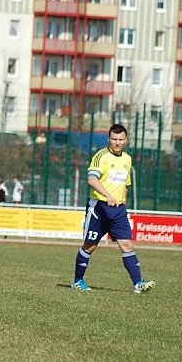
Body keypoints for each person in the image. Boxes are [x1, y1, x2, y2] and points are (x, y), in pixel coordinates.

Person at [72, 123, 155, 293]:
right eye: (114, 139)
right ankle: (77, 281)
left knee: (127, 245)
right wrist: (108, 195)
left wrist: (122, 201)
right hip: (99, 208)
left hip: (118, 210)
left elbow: (126, 184)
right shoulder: (101, 156)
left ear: (126, 140)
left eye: (120, 139)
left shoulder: (127, 159)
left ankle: (138, 283)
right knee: (90, 246)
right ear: (108, 139)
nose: (117, 142)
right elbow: (92, 180)